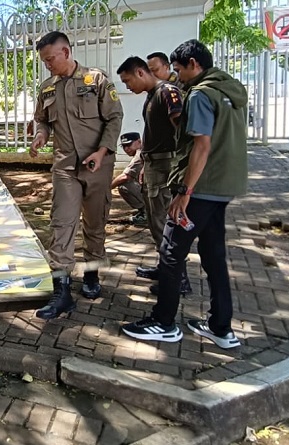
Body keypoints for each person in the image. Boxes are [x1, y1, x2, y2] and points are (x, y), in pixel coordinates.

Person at [122, 39, 248, 349]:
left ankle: (164, 322)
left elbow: (201, 145)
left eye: (177, 69)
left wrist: (185, 191)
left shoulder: (201, 95)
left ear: (194, 64)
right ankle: (220, 327)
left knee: (170, 251)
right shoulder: (227, 92)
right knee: (214, 256)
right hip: (224, 187)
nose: (174, 75)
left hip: (202, 187)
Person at [30, 31, 124, 319]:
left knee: (95, 223)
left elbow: (115, 117)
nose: (47, 65)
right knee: (61, 224)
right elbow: (42, 121)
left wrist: (103, 151)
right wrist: (40, 136)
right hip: (65, 167)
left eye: (50, 59)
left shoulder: (95, 80)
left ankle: (93, 272)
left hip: (97, 166)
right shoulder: (47, 88)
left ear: (66, 52)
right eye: (43, 61)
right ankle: (62, 291)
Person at [117, 56, 192, 296]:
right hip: (152, 166)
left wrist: (182, 170)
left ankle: (178, 278)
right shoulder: (151, 96)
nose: (128, 87)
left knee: (164, 223)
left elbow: (181, 128)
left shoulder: (167, 92)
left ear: (140, 73)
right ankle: (165, 268)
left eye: (128, 81)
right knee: (155, 222)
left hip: (164, 167)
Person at [110, 132, 147, 224]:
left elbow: (125, 177)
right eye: (123, 146)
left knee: (124, 185)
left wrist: (107, 188)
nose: (126, 149)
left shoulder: (139, 155)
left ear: (139, 141)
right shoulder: (142, 152)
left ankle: (146, 213)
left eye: (129, 145)